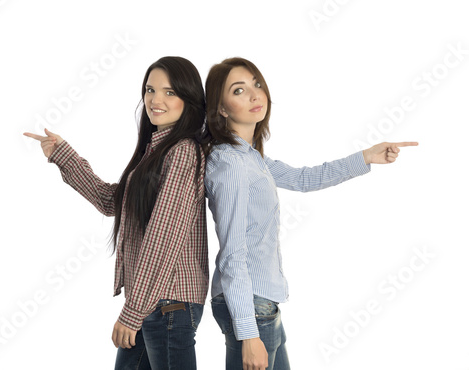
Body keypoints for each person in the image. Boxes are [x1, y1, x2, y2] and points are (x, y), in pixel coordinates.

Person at [203, 57, 418, 370]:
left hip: (261, 302)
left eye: (257, 85)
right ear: (221, 108)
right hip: (249, 304)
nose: (254, 95)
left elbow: (305, 178)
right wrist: (248, 333)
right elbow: (233, 253)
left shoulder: (250, 159)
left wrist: (366, 157)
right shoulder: (231, 164)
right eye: (239, 90)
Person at [24, 56, 208, 370]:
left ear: (189, 100)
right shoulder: (155, 150)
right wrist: (63, 155)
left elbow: (163, 239)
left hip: (167, 302)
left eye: (169, 92)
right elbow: (113, 202)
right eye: (150, 90)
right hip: (155, 300)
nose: (155, 100)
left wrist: (133, 312)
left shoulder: (182, 153)